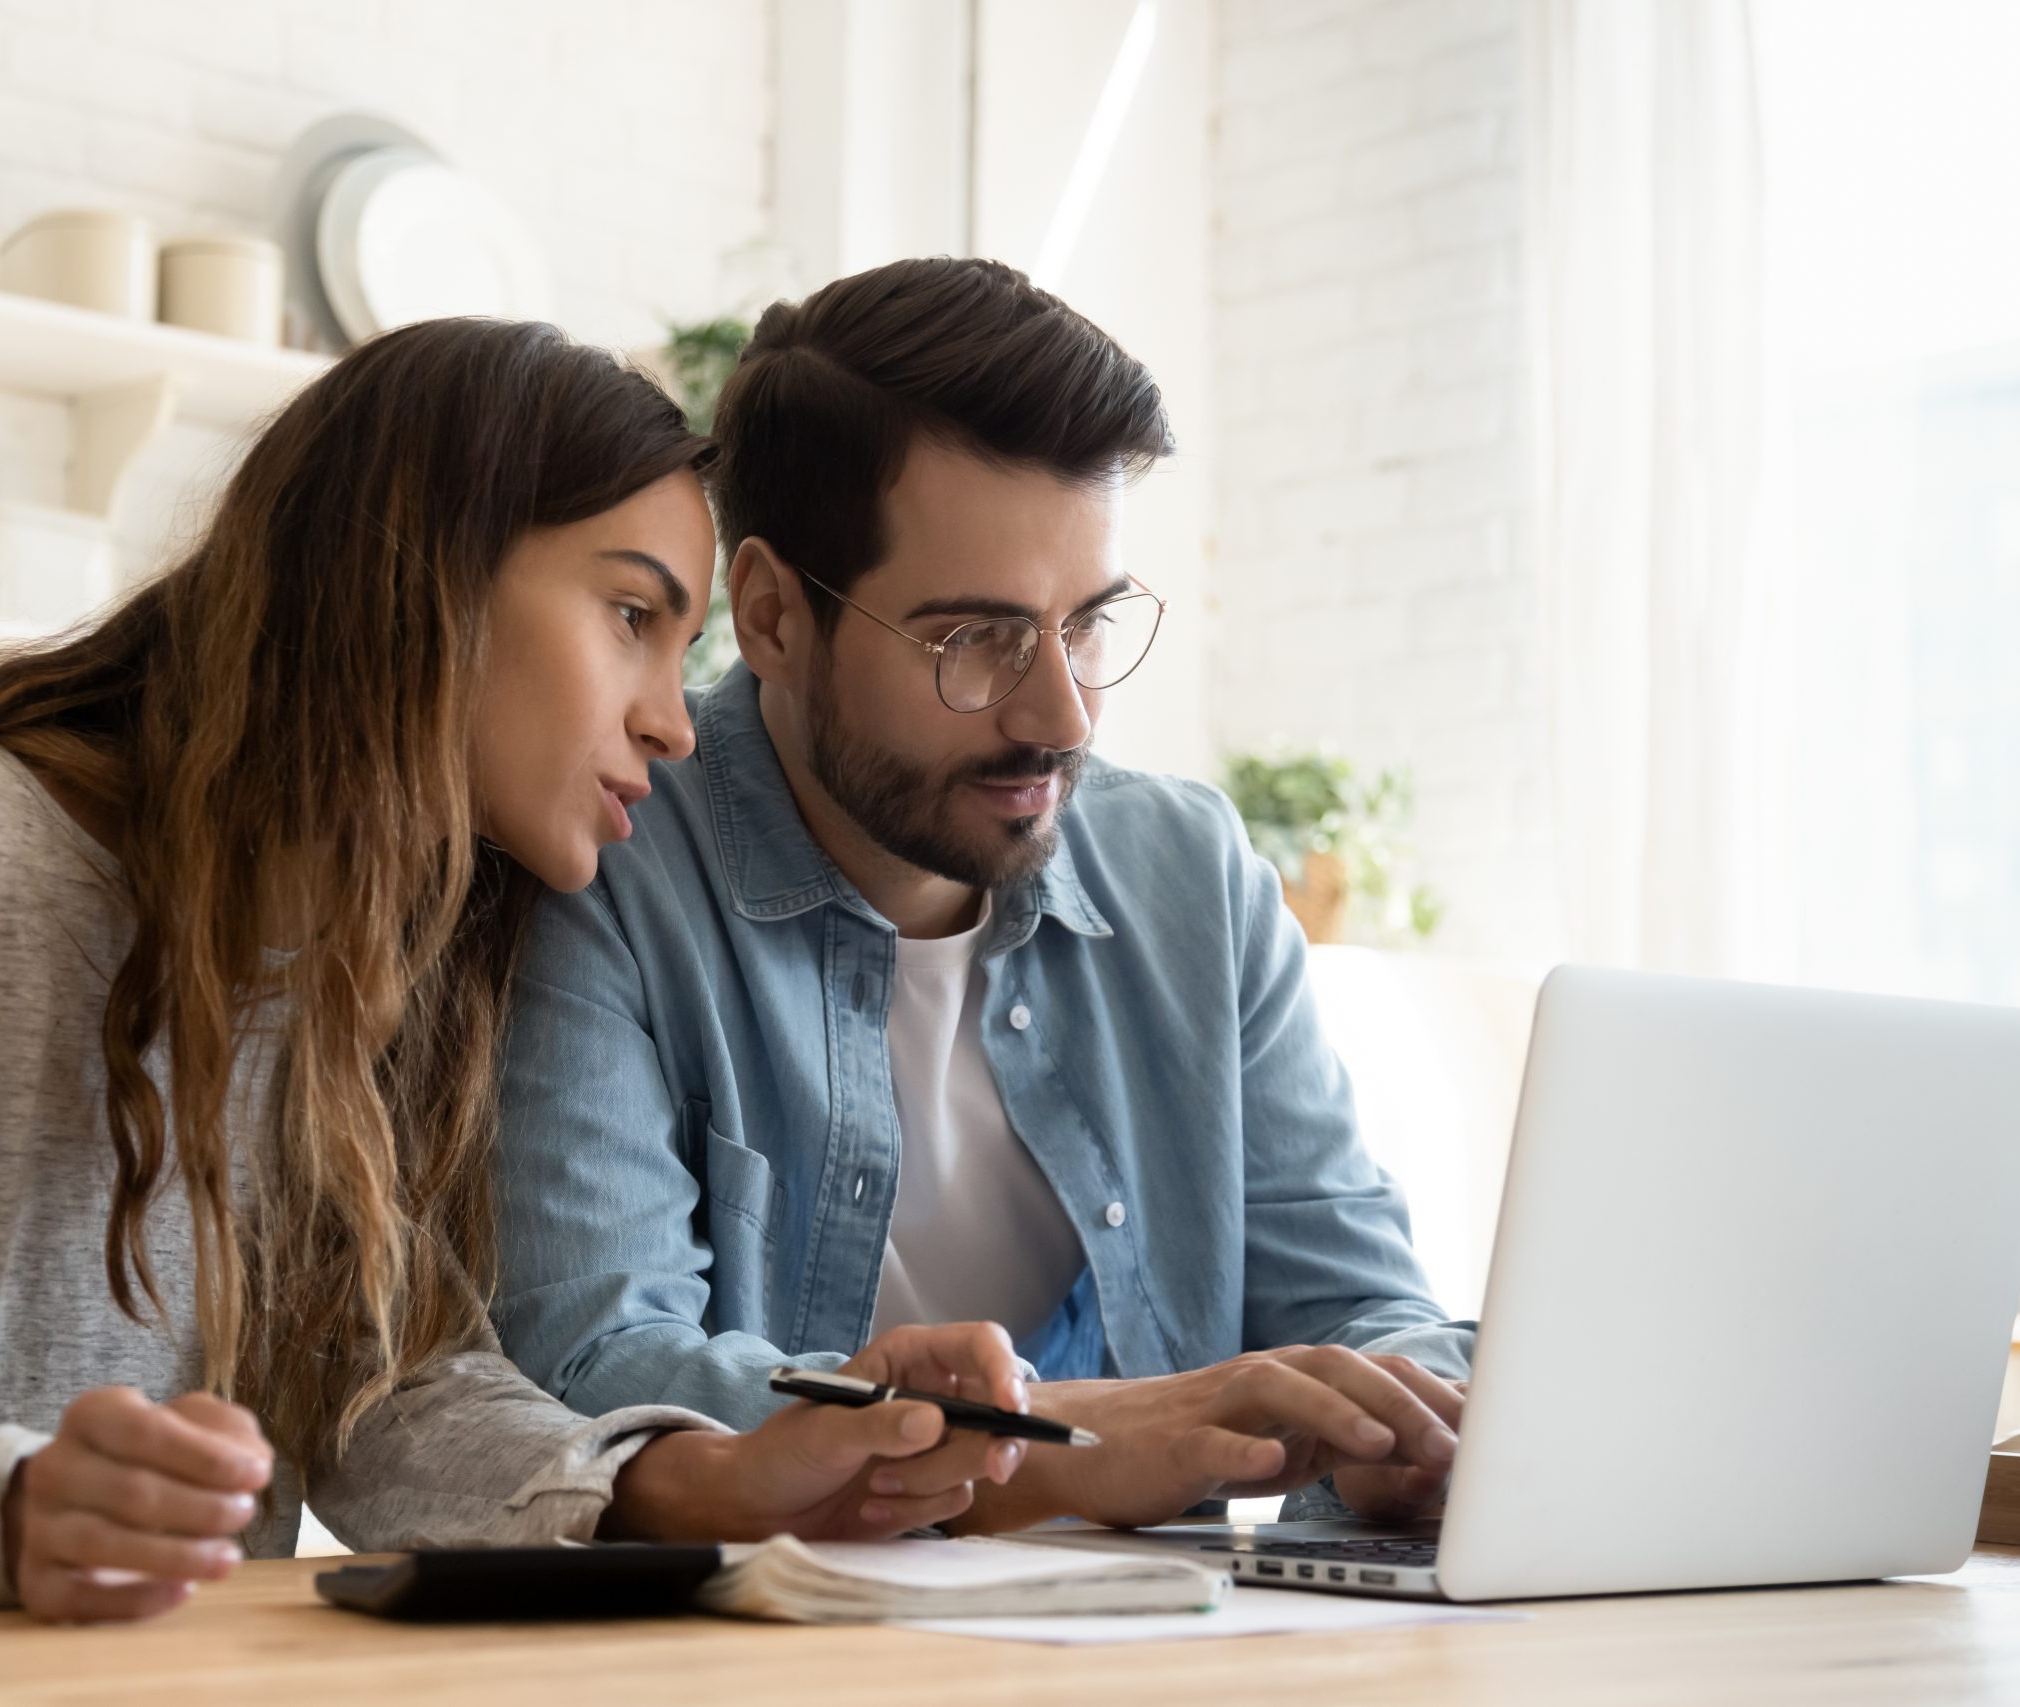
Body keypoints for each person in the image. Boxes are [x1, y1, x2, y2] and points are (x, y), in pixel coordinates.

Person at [0, 317, 1031, 1622]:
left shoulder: (388, 963)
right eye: (631, 614)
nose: (675, 722)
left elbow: (385, 1397)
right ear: (419, 576)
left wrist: (705, 1479)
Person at [493, 259, 1474, 1534]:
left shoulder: (1190, 878)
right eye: (977, 641)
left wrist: (1410, 1426)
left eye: (1088, 626)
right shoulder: (599, 865)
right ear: (777, 616)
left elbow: (1357, 1301)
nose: (1059, 716)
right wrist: (1055, 1448)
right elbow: (594, 1367)